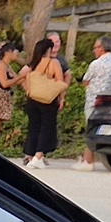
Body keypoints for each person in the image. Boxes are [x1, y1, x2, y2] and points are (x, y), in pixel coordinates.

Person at [18, 36, 65, 167]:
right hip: (48, 99)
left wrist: (28, 90)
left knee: (33, 127)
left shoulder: (33, 63)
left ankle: (30, 154)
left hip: (33, 99)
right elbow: (60, 82)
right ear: (48, 49)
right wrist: (61, 98)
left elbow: (20, 76)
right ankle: (39, 156)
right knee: (47, 127)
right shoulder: (53, 63)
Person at [80, 39, 111, 167]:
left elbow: (85, 80)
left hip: (94, 100)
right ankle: (91, 159)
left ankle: (88, 160)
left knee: (90, 129)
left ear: (101, 48)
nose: (94, 50)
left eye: (95, 47)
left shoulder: (96, 64)